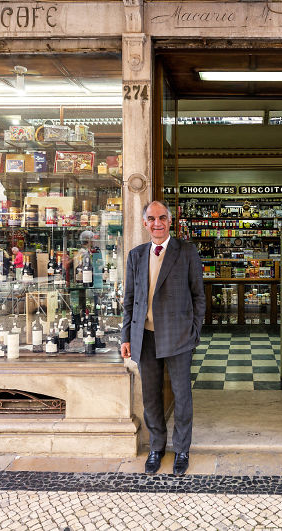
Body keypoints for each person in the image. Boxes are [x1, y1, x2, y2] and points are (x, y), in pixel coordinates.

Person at [121, 200, 204, 476]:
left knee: (182, 395)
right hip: (144, 336)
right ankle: (157, 447)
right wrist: (126, 336)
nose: (157, 223)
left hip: (179, 336)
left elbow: (198, 296)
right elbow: (130, 301)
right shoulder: (136, 255)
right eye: (152, 218)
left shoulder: (187, 252)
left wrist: (195, 331)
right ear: (145, 223)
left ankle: (182, 449)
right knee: (151, 397)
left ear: (170, 221)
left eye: (163, 218)